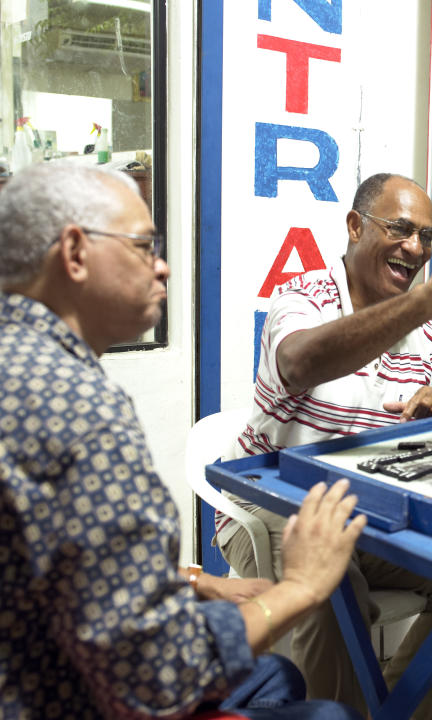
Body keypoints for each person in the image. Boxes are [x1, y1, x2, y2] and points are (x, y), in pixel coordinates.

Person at [0, 162, 367, 719]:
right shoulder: (80, 411)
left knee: (275, 675)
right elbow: (158, 674)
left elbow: (52, 556)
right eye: (144, 247)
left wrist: (190, 581)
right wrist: (300, 586)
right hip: (63, 696)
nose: (163, 267)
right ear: (75, 253)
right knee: (327, 715)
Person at [217, 173, 432, 719]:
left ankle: (400, 712)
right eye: (400, 229)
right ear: (354, 226)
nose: (416, 249)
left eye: (426, 236)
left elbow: (410, 448)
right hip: (268, 503)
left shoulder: (424, 332)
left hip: (364, 511)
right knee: (330, 583)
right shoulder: (302, 296)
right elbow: (303, 364)